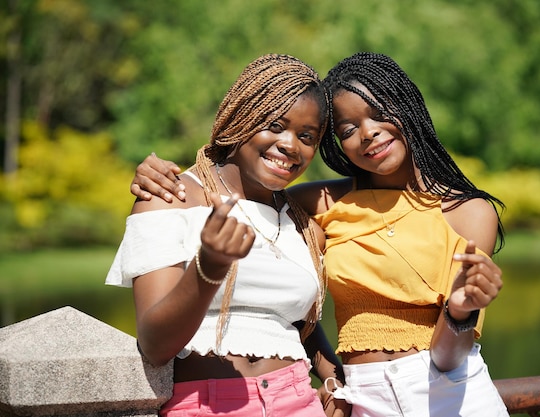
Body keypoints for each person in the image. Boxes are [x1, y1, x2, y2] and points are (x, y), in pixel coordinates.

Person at [130, 52, 509, 417]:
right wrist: (164, 175)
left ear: (408, 107)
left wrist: (460, 312)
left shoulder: (469, 212)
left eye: (379, 114)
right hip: (364, 398)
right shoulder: (319, 202)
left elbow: (447, 358)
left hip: (451, 392)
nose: (369, 132)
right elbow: (243, 191)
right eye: (347, 129)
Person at [106, 54, 350, 417]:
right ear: (242, 116)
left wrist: (334, 381)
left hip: (297, 400)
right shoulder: (171, 198)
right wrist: (210, 267)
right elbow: (156, 345)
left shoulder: (300, 221)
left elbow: (302, 327)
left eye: (306, 136)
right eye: (275, 125)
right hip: (205, 405)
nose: (290, 145)